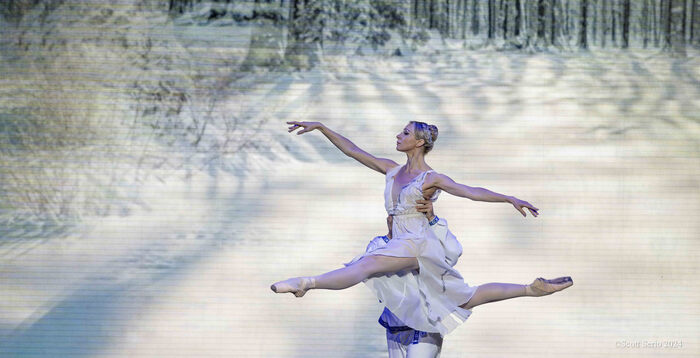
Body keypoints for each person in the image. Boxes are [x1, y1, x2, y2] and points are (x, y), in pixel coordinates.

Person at [272, 120, 573, 337]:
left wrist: (508, 198)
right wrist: (323, 128)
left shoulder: (430, 178)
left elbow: (470, 190)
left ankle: (306, 283)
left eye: (404, 133)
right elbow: (353, 150)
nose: (398, 135)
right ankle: (530, 289)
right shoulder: (391, 169)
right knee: (465, 297)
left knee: (367, 264)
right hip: (399, 242)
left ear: (418, 142)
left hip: (418, 243)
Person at [366, 200, 452, 358]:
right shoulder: (378, 244)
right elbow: (373, 273)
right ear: (389, 219)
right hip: (396, 323)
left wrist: (432, 219)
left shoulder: (428, 239)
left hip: (426, 323)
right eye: (395, 216)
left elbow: (451, 255)